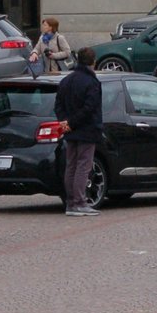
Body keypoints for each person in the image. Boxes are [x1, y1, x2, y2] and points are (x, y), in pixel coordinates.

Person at [53, 47, 103, 217]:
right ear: (93, 61)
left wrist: (65, 122)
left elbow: (58, 105)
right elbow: (90, 108)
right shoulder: (91, 82)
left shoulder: (66, 80)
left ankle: (70, 202)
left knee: (71, 166)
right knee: (83, 166)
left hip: (70, 129)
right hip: (87, 129)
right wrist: (72, 122)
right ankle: (80, 202)